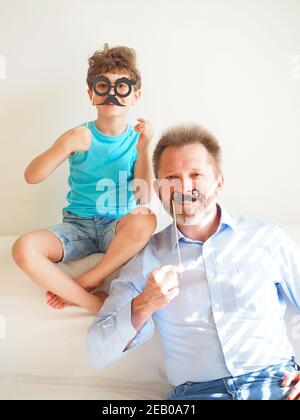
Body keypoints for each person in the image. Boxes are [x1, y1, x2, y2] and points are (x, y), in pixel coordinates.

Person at [86, 123, 300, 400]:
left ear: (219, 182)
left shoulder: (266, 237)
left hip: (277, 386)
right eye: (172, 177)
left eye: (196, 175)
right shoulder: (145, 257)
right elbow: (96, 351)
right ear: (159, 189)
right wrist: (143, 305)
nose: (184, 187)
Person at [12, 44, 156, 315]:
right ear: (92, 94)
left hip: (116, 227)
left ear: (135, 96)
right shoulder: (78, 136)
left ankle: (88, 280)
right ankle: (92, 301)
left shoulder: (137, 141)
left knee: (146, 217)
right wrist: (63, 146)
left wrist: (145, 148)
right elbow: (32, 176)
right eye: (103, 86)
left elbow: (144, 197)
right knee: (23, 248)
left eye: (121, 87)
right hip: (76, 227)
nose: (112, 94)